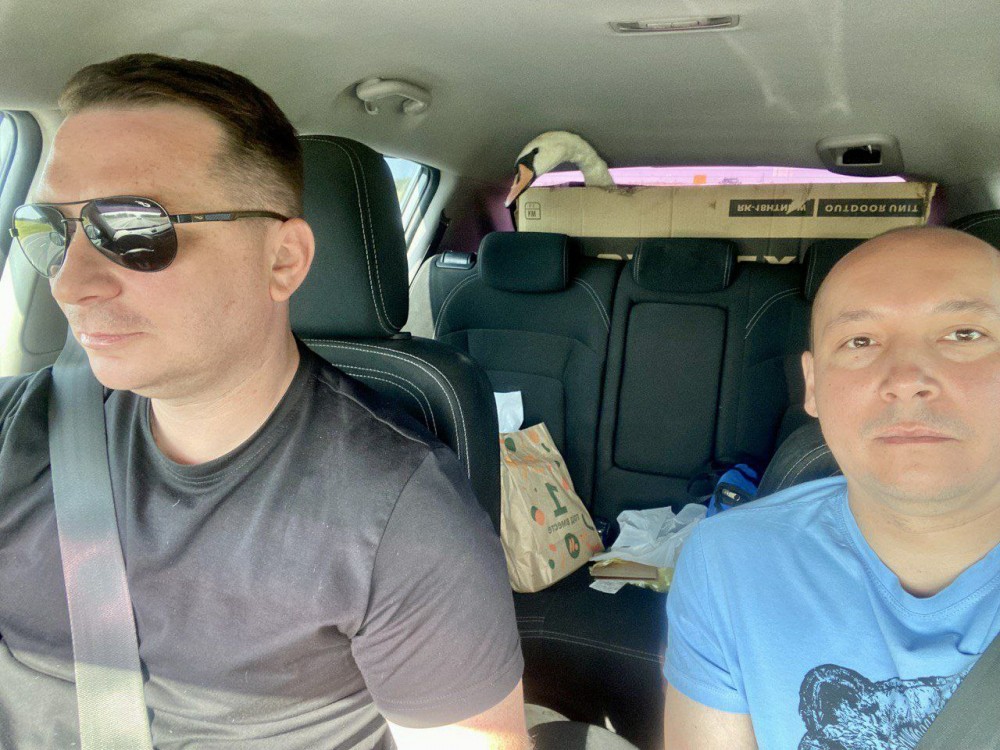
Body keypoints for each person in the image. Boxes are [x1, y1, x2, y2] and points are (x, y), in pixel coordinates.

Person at [0, 54, 528, 749]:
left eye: (131, 228)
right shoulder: (15, 427)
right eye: (48, 229)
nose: (71, 284)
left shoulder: (400, 517)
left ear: (283, 260)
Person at [662, 226, 1000, 749]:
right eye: (860, 341)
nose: (906, 378)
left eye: (964, 334)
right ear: (814, 385)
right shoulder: (730, 562)